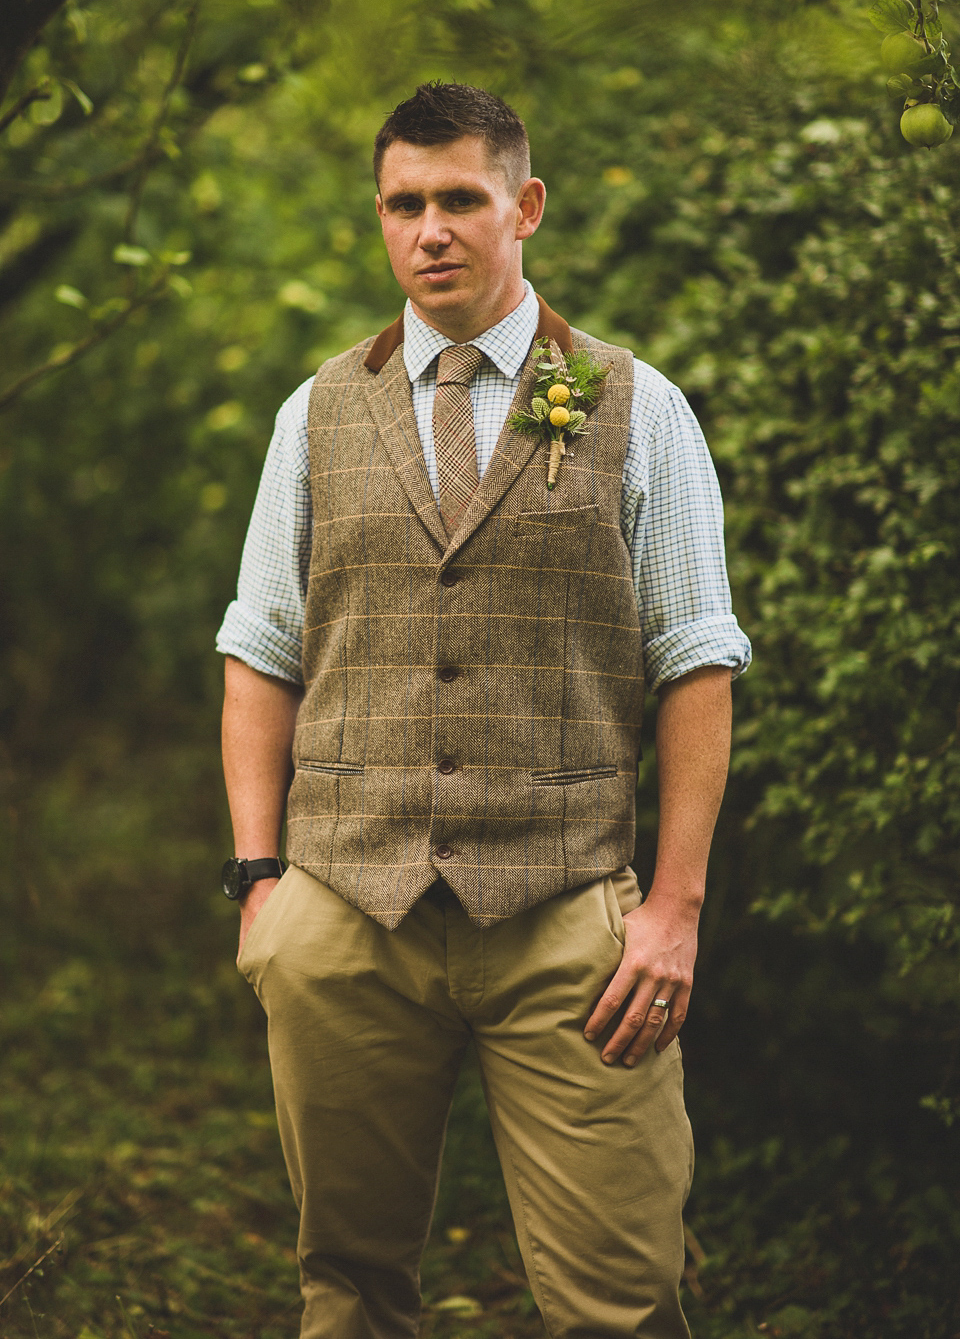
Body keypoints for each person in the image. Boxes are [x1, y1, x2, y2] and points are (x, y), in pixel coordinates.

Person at [216, 81, 750, 1339]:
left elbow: (697, 661)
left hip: (570, 922)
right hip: (346, 913)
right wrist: (258, 884)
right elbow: (260, 651)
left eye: (461, 199)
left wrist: (671, 908)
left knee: (620, 1299)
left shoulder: (638, 406)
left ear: (527, 207)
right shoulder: (314, 415)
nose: (431, 231)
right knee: (346, 1288)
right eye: (404, 203)